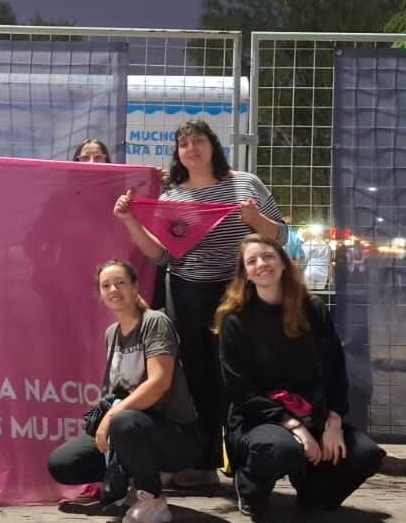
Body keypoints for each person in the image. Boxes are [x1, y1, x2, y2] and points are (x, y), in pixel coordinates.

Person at [113, 118, 286, 485]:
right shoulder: (173, 196)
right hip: (188, 296)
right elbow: (161, 256)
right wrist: (129, 221)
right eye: (184, 143)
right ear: (178, 153)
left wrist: (256, 219)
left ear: (213, 146)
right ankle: (204, 462)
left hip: (238, 294)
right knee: (198, 379)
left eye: (199, 141)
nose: (191, 148)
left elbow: (281, 236)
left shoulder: (245, 184)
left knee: (240, 375)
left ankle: (246, 467)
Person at [215, 235, 384, 518]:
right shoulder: (234, 320)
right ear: (245, 273)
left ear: (283, 262)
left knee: (367, 455)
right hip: (259, 417)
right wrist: (295, 427)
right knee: (282, 450)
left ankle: (314, 489)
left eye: (268, 256)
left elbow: (335, 368)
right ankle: (250, 487)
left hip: (312, 411)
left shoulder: (313, 309)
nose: (262, 264)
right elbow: (239, 390)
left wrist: (334, 421)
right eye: (252, 261)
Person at [46, 260, 201, 523]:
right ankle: (125, 482)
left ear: (135, 287)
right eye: (106, 285)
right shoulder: (112, 334)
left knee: (123, 422)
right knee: (63, 464)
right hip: (129, 427)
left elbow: (159, 382)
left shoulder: (155, 323)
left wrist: (112, 416)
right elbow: (116, 390)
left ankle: (152, 499)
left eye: (120, 283)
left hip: (174, 433)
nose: (113, 289)